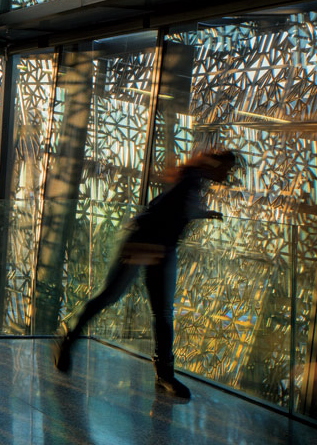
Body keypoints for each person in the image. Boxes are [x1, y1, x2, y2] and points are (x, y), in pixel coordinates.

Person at [52, 148, 238, 399]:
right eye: (226, 169)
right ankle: (163, 374)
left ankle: (70, 339)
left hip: (157, 246)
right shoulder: (192, 179)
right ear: (216, 164)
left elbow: (172, 208)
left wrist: (205, 214)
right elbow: (166, 211)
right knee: (131, 302)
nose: (227, 175)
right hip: (144, 243)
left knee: (140, 306)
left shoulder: (194, 178)